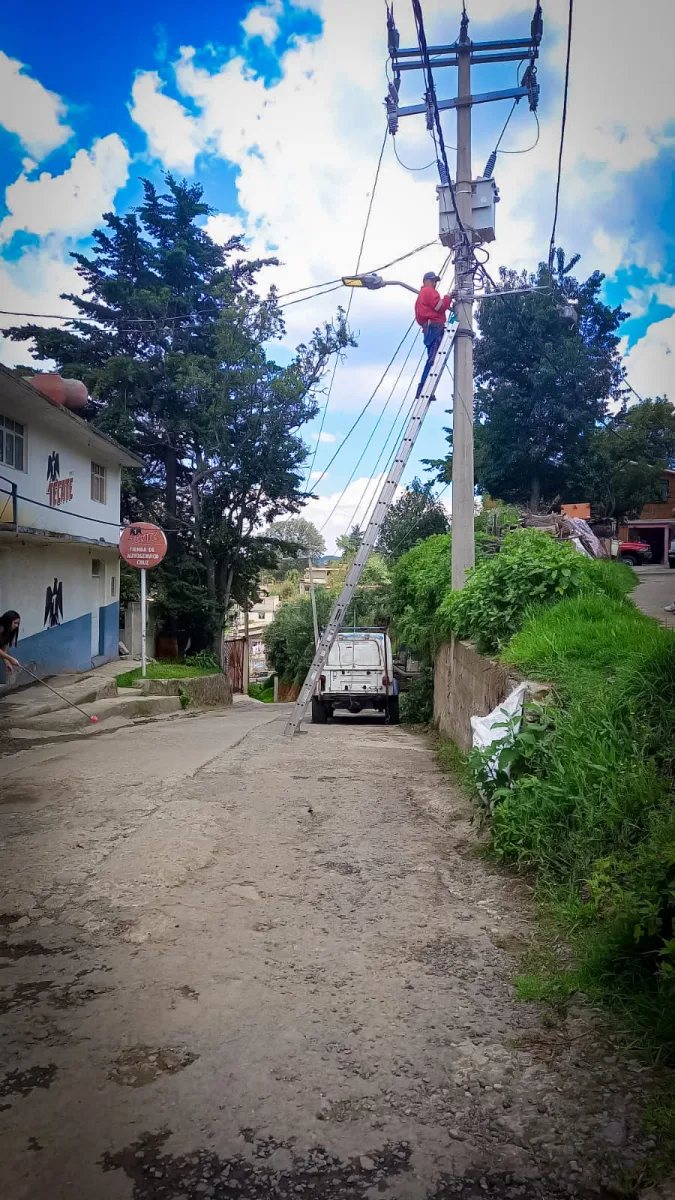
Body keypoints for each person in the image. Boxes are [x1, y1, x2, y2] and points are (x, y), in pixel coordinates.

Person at [414, 271, 455, 398]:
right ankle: (423, 389)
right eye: (433, 280)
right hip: (434, 328)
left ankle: (425, 389)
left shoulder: (422, 294)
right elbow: (439, 306)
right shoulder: (428, 291)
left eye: (435, 281)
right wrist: (449, 297)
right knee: (433, 360)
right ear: (426, 281)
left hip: (429, 329)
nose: (434, 283)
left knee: (433, 359)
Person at [0, 610, 21, 674]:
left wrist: (6, 662)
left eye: (18, 623)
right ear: (8, 622)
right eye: (15, 623)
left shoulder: (8, 631)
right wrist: (10, 659)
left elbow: (3, 647)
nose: (17, 626)